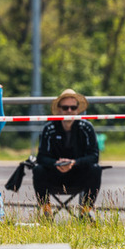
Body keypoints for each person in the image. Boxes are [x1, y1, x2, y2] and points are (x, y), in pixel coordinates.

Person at [32, 89, 102, 220]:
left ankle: (86, 212)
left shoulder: (87, 127)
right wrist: (56, 164)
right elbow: (41, 157)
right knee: (38, 169)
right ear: (59, 109)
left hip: (78, 175)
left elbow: (94, 156)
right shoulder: (49, 128)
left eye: (73, 107)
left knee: (95, 169)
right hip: (54, 175)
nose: (69, 111)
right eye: (65, 108)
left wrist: (74, 163)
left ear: (78, 110)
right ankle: (46, 211)